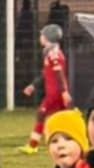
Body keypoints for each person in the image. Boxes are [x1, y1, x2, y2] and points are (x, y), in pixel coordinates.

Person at [18, 23, 71, 154]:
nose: (40, 37)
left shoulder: (54, 53)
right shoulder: (50, 52)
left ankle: (32, 145)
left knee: (42, 113)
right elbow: (46, 73)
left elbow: (59, 73)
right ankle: (76, 140)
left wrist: (64, 92)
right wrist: (33, 86)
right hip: (56, 92)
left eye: (42, 34)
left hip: (55, 93)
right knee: (66, 117)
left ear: (48, 37)